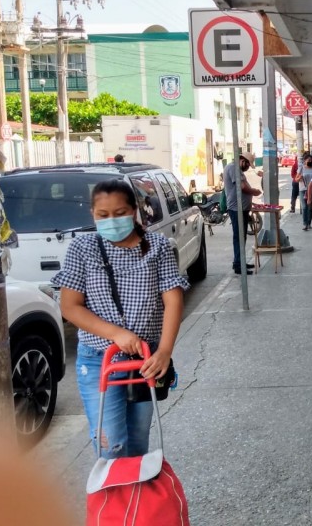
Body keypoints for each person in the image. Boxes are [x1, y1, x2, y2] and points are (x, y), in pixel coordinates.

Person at [52, 179, 189, 459]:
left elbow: (173, 300)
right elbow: (70, 307)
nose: (112, 220)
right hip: (98, 359)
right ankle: (114, 501)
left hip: (145, 361)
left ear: (135, 211)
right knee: (111, 445)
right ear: (92, 214)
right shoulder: (82, 248)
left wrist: (164, 351)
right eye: (103, 215)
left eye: (120, 213)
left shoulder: (158, 247)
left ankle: (137, 502)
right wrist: (116, 334)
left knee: (138, 443)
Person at [224, 151, 262, 275]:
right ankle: (238, 265)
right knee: (239, 237)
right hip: (236, 209)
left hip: (242, 209)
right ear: (242, 160)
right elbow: (242, 187)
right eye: (247, 164)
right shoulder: (233, 168)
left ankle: (240, 261)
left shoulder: (237, 170)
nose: (247, 167)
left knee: (242, 237)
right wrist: (254, 192)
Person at [297, 151, 312, 231]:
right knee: (304, 207)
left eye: (311, 160)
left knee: (310, 207)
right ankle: (305, 224)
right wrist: (300, 178)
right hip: (303, 189)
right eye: (308, 160)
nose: (309, 161)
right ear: (304, 160)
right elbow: (296, 179)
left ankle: (309, 223)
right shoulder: (301, 168)